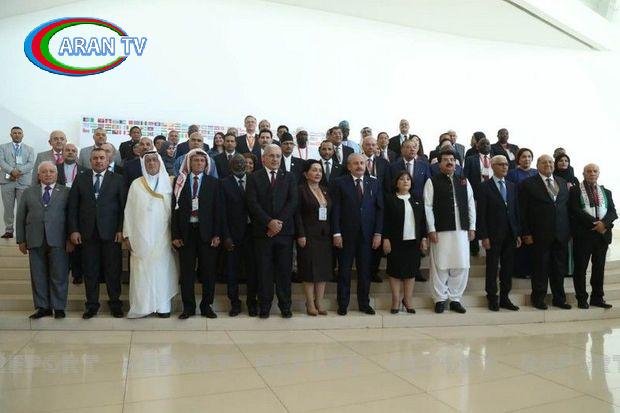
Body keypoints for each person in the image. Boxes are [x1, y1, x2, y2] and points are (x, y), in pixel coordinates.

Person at [68, 148, 125, 319]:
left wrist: (121, 229)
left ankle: (115, 304)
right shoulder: (81, 178)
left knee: (113, 270)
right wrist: (74, 230)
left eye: (102, 158)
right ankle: (92, 305)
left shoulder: (118, 179)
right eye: (95, 158)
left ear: (108, 161)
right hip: (87, 233)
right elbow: (73, 206)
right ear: (90, 161)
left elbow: (123, 207)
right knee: (90, 270)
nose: (99, 161)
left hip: (111, 233)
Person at [123, 151, 178, 318]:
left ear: (160, 163)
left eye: (155, 160)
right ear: (144, 164)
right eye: (148, 161)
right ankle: (143, 307)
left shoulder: (169, 183)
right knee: (142, 270)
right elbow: (129, 211)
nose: (152, 163)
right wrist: (127, 234)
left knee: (162, 269)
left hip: (163, 234)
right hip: (140, 235)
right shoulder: (136, 184)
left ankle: (163, 306)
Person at [246, 144, 298, 318]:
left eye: (278, 156)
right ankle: (265, 306)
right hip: (262, 233)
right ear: (263, 158)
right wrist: (269, 222)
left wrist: (278, 223)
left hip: (284, 233)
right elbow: (252, 203)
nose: (275, 159)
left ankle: (285, 306)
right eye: (271, 156)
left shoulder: (289, 177)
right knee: (264, 272)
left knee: (284, 272)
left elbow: (292, 202)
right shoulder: (254, 177)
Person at [16, 161, 70, 319]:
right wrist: (21, 239)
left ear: (57, 174)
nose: (48, 174)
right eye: (44, 172)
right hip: (35, 238)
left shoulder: (66, 192)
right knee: (38, 274)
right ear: (38, 175)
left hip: (59, 239)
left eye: (51, 171)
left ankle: (58, 307)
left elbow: (71, 217)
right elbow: (20, 217)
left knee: (59, 274)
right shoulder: (28, 192)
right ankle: (42, 307)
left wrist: (70, 238)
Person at [423, 150, 476, 314]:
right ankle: (439, 299)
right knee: (440, 264)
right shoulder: (432, 181)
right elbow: (427, 206)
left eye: (452, 159)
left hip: (462, 230)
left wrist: (472, 227)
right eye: (445, 159)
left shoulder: (464, 181)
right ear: (439, 164)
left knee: (461, 264)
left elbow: (470, 204)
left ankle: (455, 299)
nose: (449, 162)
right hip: (441, 229)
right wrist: (431, 229)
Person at [171, 149, 221, 319]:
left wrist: (217, 234)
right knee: (187, 273)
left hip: (207, 234)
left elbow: (218, 210)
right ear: (189, 163)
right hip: (186, 233)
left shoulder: (214, 183)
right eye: (195, 160)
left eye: (202, 161)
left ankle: (207, 306)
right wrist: (175, 235)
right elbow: (174, 210)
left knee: (208, 272)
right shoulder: (180, 182)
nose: (199, 163)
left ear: (206, 164)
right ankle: (188, 307)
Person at [331, 154, 383, 315]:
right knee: (344, 271)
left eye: (362, 163)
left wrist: (378, 233)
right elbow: (336, 209)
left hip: (367, 235)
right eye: (355, 163)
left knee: (365, 271)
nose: (359, 166)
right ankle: (343, 304)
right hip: (346, 235)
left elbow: (379, 210)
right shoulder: (339, 183)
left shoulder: (374, 182)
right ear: (349, 166)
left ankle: (364, 303)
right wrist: (336, 233)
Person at [519, 155, 571, 310]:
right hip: (538, 235)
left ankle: (559, 299)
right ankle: (538, 299)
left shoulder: (562, 182)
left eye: (550, 162)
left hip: (561, 234)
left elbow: (566, 208)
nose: (548, 164)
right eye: (544, 162)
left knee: (559, 269)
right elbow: (523, 210)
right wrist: (526, 232)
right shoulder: (528, 184)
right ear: (537, 165)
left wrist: (568, 231)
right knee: (540, 268)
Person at [476, 155, 521, 311]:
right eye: (501, 164)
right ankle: (492, 297)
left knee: (508, 268)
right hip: (493, 234)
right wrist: (484, 236)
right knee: (492, 267)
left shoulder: (512, 186)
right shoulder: (484, 187)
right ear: (493, 166)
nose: (505, 167)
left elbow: (515, 211)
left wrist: (517, 233)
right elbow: (481, 213)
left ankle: (505, 297)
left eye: (506, 164)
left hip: (510, 234)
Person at [570, 163, 617, 309]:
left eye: (595, 171)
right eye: (589, 171)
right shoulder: (575, 190)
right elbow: (575, 210)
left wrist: (604, 224)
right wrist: (596, 224)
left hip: (602, 236)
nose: (592, 173)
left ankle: (597, 298)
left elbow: (613, 212)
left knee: (599, 268)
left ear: (598, 174)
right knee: (580, 269)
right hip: (584, 235)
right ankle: (581, 298)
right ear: (583, 174)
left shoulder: (606, 192)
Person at [383, 171, 427, 314]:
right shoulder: (390, 199)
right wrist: (386, 238)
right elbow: (385, 221)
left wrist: (424, 238)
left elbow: (422, 221)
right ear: (396, 183)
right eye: (402, 179)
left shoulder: (416, 199)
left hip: (413, 242)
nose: (405, 181)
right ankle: (396, 300)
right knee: (394, 271)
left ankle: (407, 299)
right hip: (395, 241)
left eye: (408, 179)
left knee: (411, 271)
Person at [221, 154, 258, 317]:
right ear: (231, 166)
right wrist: (226, 236)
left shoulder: (254, 180)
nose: (240, 165)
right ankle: (234, 303)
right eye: (236, 163)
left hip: (253, 233)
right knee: (232, 272)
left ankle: (252, 302)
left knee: (253, 270)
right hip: (233, 234)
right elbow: (221, 212)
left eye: (243, 163)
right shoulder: (223, 183)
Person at [295, 160, 332, 316]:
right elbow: (297, 214)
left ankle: (319, 301)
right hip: (308, 235)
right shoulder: (300, 190)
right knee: (309, 270)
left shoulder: (325, 190)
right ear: (306, 174)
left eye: (320, 170)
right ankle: (310, 302)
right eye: (314, 170)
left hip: (324, 236)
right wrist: (300, 234)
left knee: (323, 270)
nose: (318, 173)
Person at [56, 143, 86, 285]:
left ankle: (77, 273)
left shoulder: (84, 171)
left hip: (78, 210)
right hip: (58, 208)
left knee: (77, 242)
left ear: (77, 154)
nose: (70, 152)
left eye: (73, 150)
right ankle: (61, 271)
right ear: (62, 152)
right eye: (67, 150)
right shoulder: (54, 169)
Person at [506, 148, 538, 279]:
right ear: (518, 159)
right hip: (519, 211)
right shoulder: (512, 174)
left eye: (529, 156)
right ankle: (520, 270)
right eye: (524, 157)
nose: (527, 159)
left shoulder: (536, 172)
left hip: (535, 213)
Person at [361, 136, 389, 283]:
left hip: (379, 204)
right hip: (362, 204)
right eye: (368, 144)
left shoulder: (383, 163)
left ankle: (374, 270)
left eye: (373, 145)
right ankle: (364, 270)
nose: (370, 147)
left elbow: (388, 185)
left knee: (378, 236)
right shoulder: (358, 161)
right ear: (362, 146)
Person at [0, 126, 35, 239]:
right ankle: (9, 230)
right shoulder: (2, 147)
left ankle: (22, 231)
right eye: (14, 133)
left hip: (23, 182)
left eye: (19, 133)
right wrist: (11, 171)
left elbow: (31, 164)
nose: (17, 135)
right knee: (8, 208)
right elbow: (1, 161)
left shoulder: (29, 149)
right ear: (11, 135)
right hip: (7, 181)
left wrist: (18, 171)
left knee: (22, 208)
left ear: (22, 135)